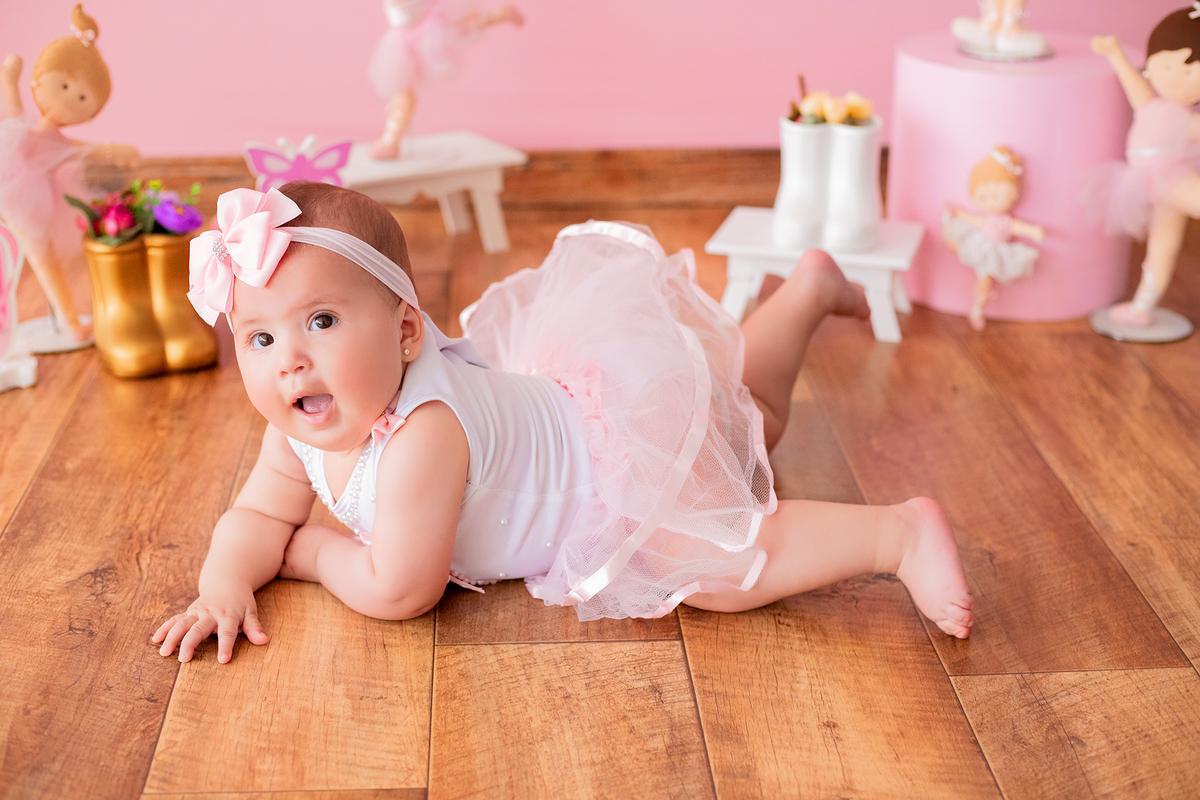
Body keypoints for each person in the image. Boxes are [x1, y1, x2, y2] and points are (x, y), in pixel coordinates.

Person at [153, 182, 975, 664]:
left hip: (609, 467)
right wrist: (225, 579)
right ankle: (804, 294)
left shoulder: (422, 434)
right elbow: (258, 511)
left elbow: (401, 588)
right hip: (588, 404)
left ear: (407, 332)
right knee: (742, 414)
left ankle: (895, 535)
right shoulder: (296, 425)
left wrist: (307, 555)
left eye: (321, 323)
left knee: (709, 562)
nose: (289, 360)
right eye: (260, 338)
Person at [0, 3, 138, 344]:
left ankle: (70, 320)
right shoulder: (22, 129)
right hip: (19, 194)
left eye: (79, 97)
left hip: (45, 200)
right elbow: (13, 118)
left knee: (46, 257)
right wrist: (9, 81)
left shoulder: (58, 138)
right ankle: (69, 320)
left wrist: (112, 150)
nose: (67, 102)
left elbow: (75, 149)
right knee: (38, 256)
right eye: (64, 88)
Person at [1089, 8, 1200, 327]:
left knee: (1164, 242)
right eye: (1166, 64)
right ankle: (1142, 306)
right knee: (1162, 246)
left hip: (1177, 184)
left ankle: (1142, 306)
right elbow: (1131, 79)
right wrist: (1114, 53)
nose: (1176, 76)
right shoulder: (1150, 105)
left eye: (1191, 70)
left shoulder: (1187, 120)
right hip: (1152, 187)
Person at [367, 0, 523, 160]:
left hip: (429, 30)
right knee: (402, 90)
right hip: (405, 39)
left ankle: (391, 139)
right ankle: (392, 139)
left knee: (465, 25)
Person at [943, 146, 1045, 331]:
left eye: (996, 195)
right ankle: (979, 304)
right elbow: (968, 217)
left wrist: (1033, 231)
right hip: (980, 246)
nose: (990, 200)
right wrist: (954, 212)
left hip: (995, 252)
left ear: (1013, 194)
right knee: (961, 249)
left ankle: (978, 306)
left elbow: (1017, 227)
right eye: (983, 196)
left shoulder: (1005, 221)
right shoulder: (985, 219)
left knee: (984, 277)